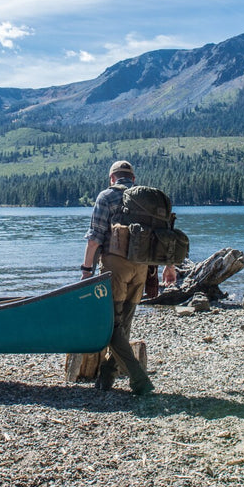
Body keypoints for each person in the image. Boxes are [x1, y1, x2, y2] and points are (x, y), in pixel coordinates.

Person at [81, 160, 176, 395]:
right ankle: (107, 375)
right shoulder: (145, 199)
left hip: (115, 267)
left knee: (110, 325)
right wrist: (169, 266)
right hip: (142, 268)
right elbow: (163, 236)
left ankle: (139, 379)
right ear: (132, 179)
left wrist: (86, 270)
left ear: (112, 178)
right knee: (125, 324)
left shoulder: (106, 196)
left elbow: (95, 238)